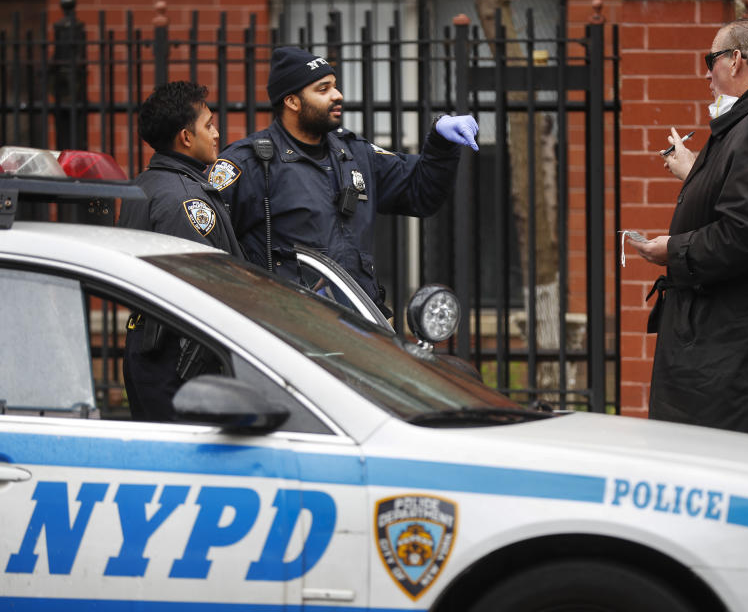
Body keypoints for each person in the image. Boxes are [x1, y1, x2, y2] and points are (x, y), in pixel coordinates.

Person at [628, 19, 748, 438]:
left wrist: (672, 250)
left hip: (733, 348)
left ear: (735, 60)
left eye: (711, 60)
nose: (707, 74)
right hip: (736, 342)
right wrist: (693, 172)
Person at [209, 46, 479, 312]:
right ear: (292, 101)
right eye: (323, 89)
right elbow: (205, 248)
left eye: (335, 86)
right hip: (288, 327)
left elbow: (420, 194)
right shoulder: (250, 163)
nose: (337, 95)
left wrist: (440, 144)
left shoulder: (354, 153)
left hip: (357, 322)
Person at [118, 80, 243, 421]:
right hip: (181, 358)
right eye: (209, 125)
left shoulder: (145, 184)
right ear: (186, 138)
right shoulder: (185, 198)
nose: (216, 133)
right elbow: (207, 286)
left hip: (148, 347)